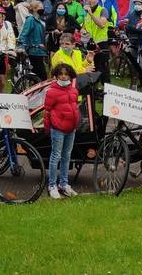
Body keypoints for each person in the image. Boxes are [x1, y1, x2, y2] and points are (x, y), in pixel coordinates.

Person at [43, 63, 80, 199]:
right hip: (58, 128)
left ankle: (64, 184)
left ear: (70, 76)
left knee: (66, 157)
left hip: (71, 128)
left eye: (66, 74)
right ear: (56, 76)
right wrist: (47, 128)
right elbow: (46, 111)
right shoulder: (52, 92)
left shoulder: (74, 90)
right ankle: (52, 185)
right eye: (61, 74)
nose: (64, 77)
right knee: (55, 157)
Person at [81, 0, 111, 82]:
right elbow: (83, 26)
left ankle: (106, 89)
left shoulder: (103, 10)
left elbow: (102, 24)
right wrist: (82, 30)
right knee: (92, 68)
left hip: (101, 43)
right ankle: (94, 90)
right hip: (90, 44)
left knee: (103, 69)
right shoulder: (85, 13)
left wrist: (91, 14)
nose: (90, 1)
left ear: (97, 0)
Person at [17, 0, 48, 80]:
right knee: (42, 76)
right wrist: (21, 45)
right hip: (34, 51)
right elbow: (24, 33)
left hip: (40, 51)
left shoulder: (40, 21)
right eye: (40, 8)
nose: (42, 9)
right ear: (34, 9)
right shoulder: (31, 19)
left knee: (39, 75)